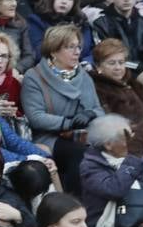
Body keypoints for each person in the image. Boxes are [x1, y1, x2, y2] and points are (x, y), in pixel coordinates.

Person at [23, 24, 104, 189]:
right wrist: (69, 122)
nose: (77, 52)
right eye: (69, 47)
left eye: (78, 47)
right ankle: (75, 202)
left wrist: (90, 114)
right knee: (79, 153)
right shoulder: (34, 76)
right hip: (50, 137)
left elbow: (98, 109)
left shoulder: (84, 76)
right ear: (53, 51)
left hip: (83, 134)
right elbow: (36, 117)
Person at [90, 39, 143, 155]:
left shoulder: (133, 84)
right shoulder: (96, 88)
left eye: (121, 62)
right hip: (122, 149)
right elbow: (109, 124)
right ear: (98, 66)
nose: (118, 67)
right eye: (112, 63)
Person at [27, 0, 94, 66]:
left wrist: (87, 62)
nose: (64, 1)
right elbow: (38, 53)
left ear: (74, 3)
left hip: (81, 69)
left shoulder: (81, 22)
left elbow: (91, 50)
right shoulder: (37, 20)